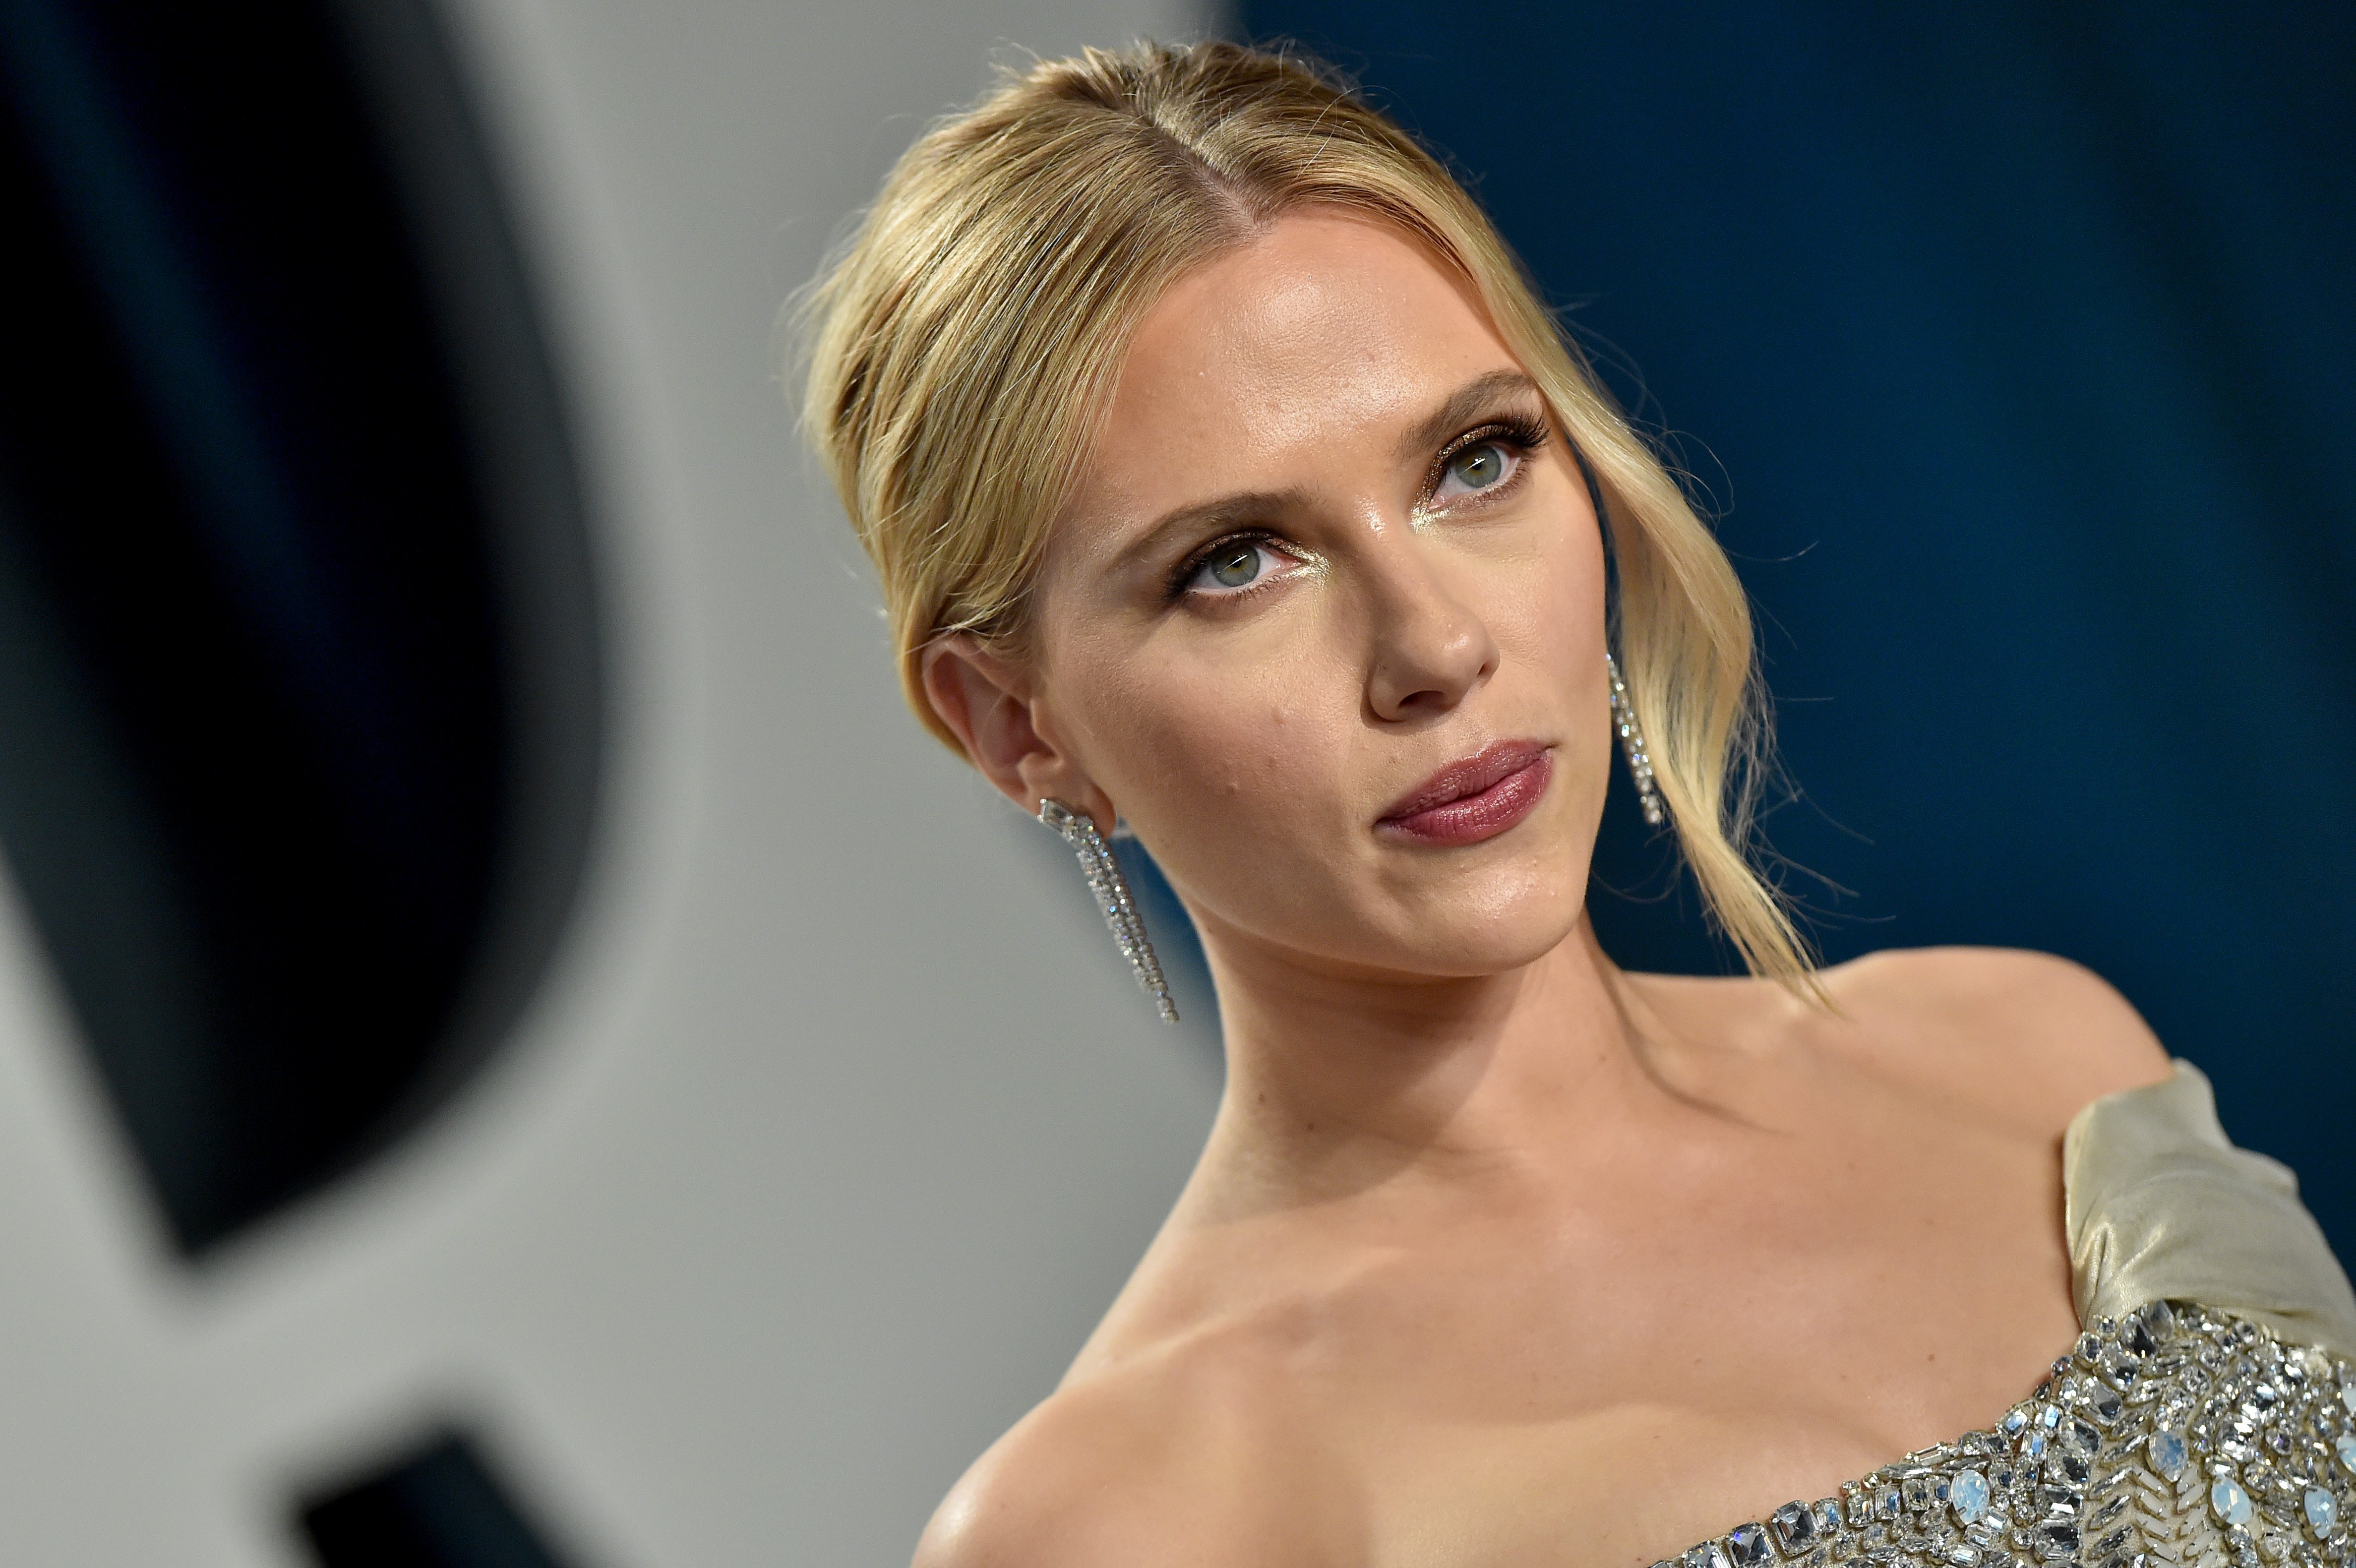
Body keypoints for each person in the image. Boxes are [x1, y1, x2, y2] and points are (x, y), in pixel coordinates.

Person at [798, 40, 2356, 1568]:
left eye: (1477, 461)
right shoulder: (1128, 1527)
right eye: (1234, 563)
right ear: (1015, 725)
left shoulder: (2044, 1062)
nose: (1436, 644)